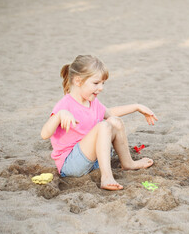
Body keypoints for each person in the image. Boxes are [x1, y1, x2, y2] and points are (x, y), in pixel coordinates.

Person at [41, 55, 158, 191]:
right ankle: (106, 177)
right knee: (103, 125)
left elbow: (110, 113)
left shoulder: (92, 102)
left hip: (93, 161)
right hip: (71, 164)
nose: (101, 88)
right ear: (78, 81)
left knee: (115, 121)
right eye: (96, 83)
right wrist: (59, 116)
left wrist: (136, 107)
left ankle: (128, 163)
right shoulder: (65, 105)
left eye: (103, 83)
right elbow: (44, 134)